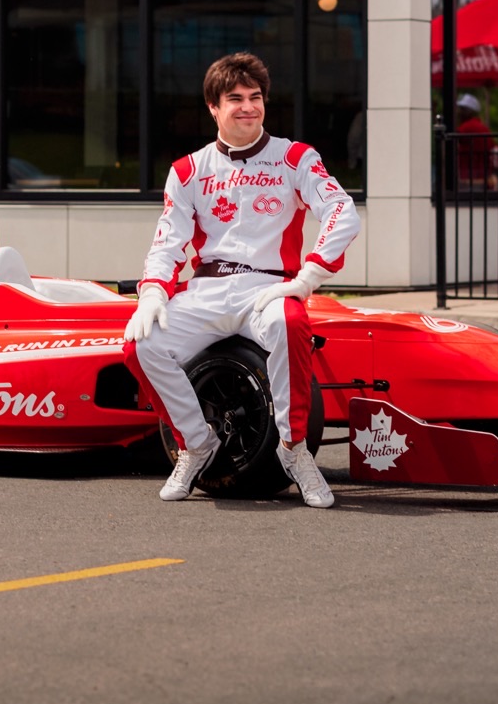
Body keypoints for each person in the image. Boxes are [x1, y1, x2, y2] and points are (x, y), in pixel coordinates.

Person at [124, 51, 360, 507]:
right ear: (213, 107)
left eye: (255, 97)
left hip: (267, 289)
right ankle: (197, 443)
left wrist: (308, 276)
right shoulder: (187, 170)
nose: (248, 106)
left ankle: (294, 452)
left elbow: (341, 210)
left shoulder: (294, 157)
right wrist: (153, 292)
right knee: (141, 345)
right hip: (207, 289)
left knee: (290, 325)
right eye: (235, 98)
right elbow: (169, 242)